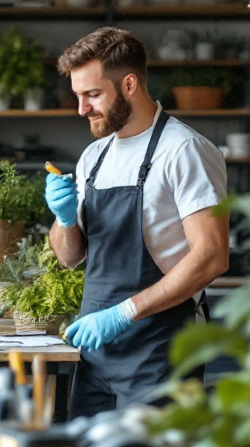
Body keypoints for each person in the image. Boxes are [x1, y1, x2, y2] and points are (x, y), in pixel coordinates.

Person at [47, 27, 229, 418]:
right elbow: (69, 258)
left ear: (129, 84)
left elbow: (213, 256)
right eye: (78, 96)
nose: (81, 109)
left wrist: (122, 313)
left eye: (92, 95)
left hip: (161, 354)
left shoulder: (184, 151)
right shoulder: (93, 157)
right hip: (96, 358)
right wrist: (63, 221)